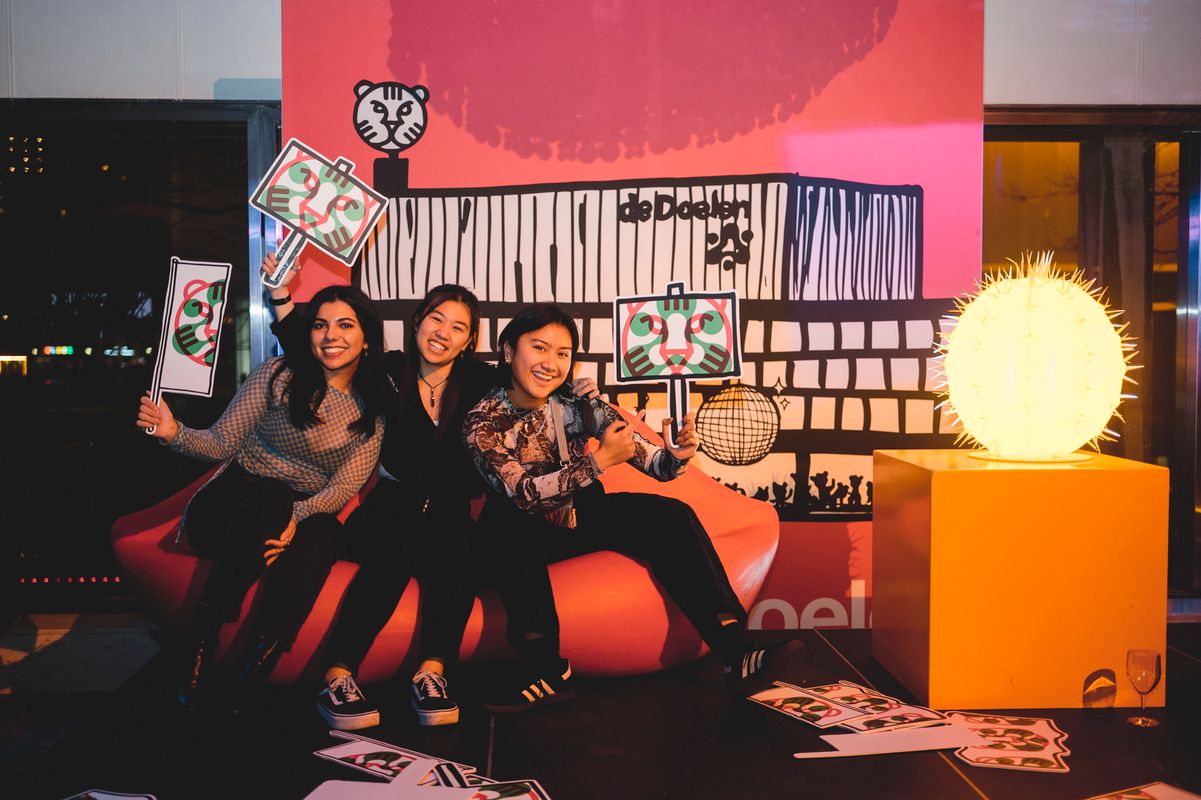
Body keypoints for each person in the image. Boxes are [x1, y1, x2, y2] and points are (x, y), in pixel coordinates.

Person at [261, 255, 599, 730]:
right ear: (417, 321)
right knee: (395, 547)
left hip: (451, 512)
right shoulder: (386, 371)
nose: (444, 332)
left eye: (458, 327)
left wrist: (580, 393)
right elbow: (315, 352)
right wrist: (280, 295)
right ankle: (337, 677)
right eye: (436, 319)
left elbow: (537, 381)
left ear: (469, 340)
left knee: (459, 543)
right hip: (389, 506)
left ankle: (432, 674)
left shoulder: (483, 381)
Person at [463, 303, 800, 712]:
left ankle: (736, 651)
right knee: (505, 522)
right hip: (524, 529)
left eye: (563, 353)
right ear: (507, 350)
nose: (551, 363)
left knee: (669, 515)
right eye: (539, 348)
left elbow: (649, 461)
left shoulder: (575, 401)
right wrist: (598, 461)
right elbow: (524, 493)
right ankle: (545, 668)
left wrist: (674, 455)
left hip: (581, 514)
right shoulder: (483, 421)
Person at [136, 284, 387, 710]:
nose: (331, 335)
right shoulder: (278, 374)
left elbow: (343, 489)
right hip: (231, 503)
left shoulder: (372, 410)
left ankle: (255, 666)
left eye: (345, 325)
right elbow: (220, 442)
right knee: (272, 495)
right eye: (320, 325)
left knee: (325, 534)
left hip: (297, 511)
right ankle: (201, 639)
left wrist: (296, 518)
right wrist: (173, 432)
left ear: (366, 338)